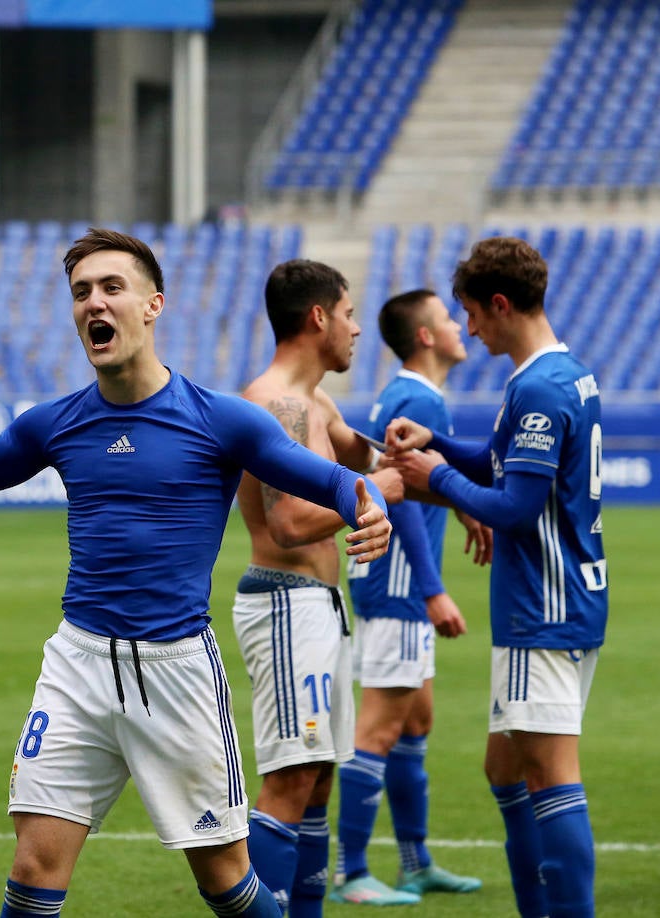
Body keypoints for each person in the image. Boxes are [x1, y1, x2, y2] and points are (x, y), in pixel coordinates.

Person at [0, 229, 394, 918]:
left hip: (175, 673)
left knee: (228, 886)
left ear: (153, 305)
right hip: (77, 665)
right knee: (33, 866)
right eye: (81, 292)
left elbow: (331, 481)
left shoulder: (222, 420)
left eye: (112, 287)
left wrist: (371, 503)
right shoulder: (55, 424)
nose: (94, 303)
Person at [386, 236, 607, 918]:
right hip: (562, 595)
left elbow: (515, 508)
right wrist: (440, 447)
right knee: (504, 770)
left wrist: (436, 478)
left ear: (501, 305)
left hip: (541, 603)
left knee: (548, 776)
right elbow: (501, 464)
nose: (470, 329)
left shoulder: (539, 389)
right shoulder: (558, 374)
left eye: (473, 314)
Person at [231, 259, 435, 915]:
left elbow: (367, 457)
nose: (355, 328)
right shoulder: (277, 404)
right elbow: (289, 521)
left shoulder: (315, 401)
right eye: (348, 314)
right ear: (318, 317)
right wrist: (379, 490)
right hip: (286, 603)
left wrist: (405, 453)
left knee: (317, 782)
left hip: (319, 606)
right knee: (291, 780)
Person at [332, 288, 487, 905]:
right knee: (380, 727)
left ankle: (416, 862)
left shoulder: (414, 397)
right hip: (397, 586)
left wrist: (467, 509)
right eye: (449, 319)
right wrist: (434, 591)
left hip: (392, 584)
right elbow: (406, 502)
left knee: (415, 720)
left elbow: (424, 491)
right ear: (426, 336)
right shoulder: (417, 399)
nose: (459, 328)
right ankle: (350, 873)